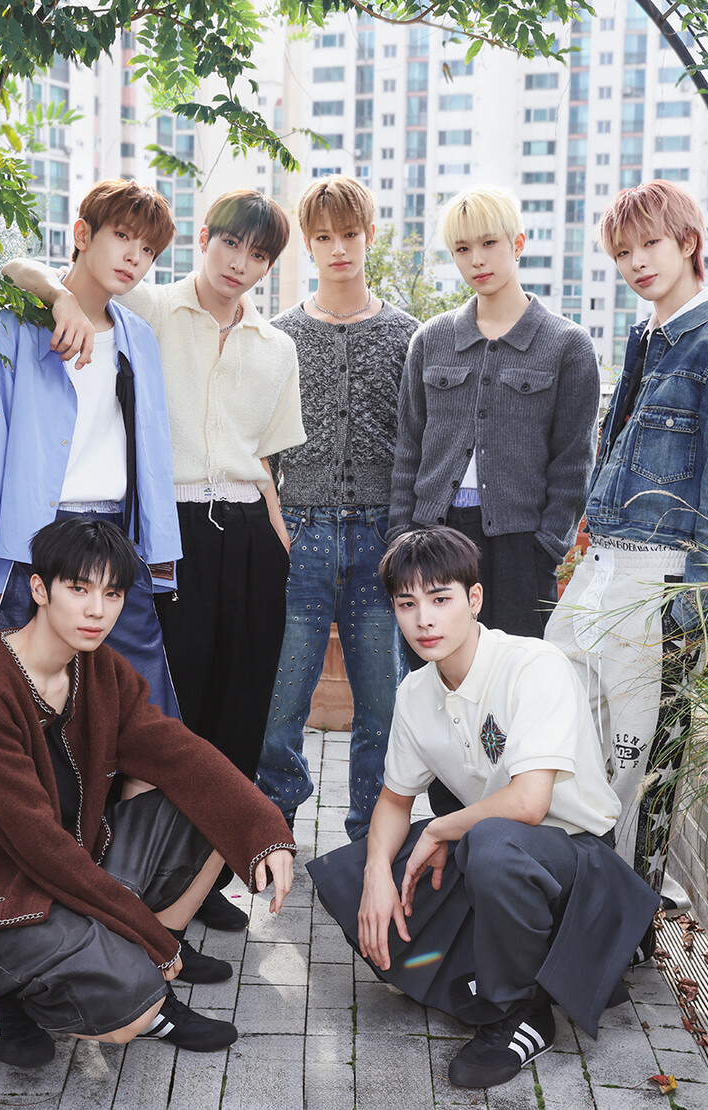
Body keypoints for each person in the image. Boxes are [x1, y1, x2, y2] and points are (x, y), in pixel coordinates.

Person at [3, 189, 305, 932]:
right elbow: (30, 271)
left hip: (250, 528)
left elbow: (267, 455)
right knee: (171, 714)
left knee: (241, 709)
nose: (240, 264)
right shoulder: (149, 309)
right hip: (169, 530)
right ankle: (148, 884)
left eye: (258, 255)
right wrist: (57, 296)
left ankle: (205, 881)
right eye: (229, 244)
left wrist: (275, 529)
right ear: (203, 239)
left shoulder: (276, 345)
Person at [0, 517, 295, 1067]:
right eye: (78, 588)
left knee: (210, 802)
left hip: (70, 866)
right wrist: (144, 935)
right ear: (40, 589)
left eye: (112, 594)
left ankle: (149, 965)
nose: (97, 610)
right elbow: (39, 846)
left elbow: (179, 754)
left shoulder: (98, 670)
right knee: (130, 1015)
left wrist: (265, 829)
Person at [307, 527, 658, 1091]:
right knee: (355, 881)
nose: (424, 620)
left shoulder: (533, 664)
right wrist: (376, 876)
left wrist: (439, 830)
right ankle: (522, 964)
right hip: (499, 851)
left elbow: (528, 802)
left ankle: (520, 1011)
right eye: (407, 604)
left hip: (576, 860)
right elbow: (393, 801)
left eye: (440, 599)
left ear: (474, 599)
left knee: (487, 844)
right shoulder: (416, 693)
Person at [545, 180, 708, 901]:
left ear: (688, 242)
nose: (636, 262)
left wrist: (690, 615)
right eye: (623, 252)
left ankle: (625, 912)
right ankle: (568, 886)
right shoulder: (646, 340)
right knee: (556, 722)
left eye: (650, 244)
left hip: (660, 580)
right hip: (602, 570)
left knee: (637, 763)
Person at [0, 178, 182, 721]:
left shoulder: (139, 339)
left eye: (149, 249)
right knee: (23, 708)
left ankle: (133, 783)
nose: (135, 256)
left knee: (145, 707)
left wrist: (156, 552)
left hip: (116, 537)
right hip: (35, 539)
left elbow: (153, 455)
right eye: (122, 236)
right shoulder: (7, 331)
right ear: (82, 234)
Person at [255, 176, 417, 841]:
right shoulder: (279, 336)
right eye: (324, 237)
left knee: (383, 702)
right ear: (308, 243)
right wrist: (276, 517)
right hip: (300, 532)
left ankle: (367, 840)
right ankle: (272, 830)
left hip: (380, 535)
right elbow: (256, 440)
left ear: (370, 235)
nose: (339, 249)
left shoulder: (407, 335)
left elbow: (418, 441)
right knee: (281, 697)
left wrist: (402, 534)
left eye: (350, 234)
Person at [388, 184, 600, 639]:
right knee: (436, 668)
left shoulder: (567, 345)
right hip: (433, 536)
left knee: (516, 671)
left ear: (517, 244)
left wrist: (547, 547)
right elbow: (409, 448)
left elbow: (574, 462)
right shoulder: (430, 339)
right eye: (463, 249)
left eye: (488, 243)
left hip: (521, 547)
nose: (477, 260)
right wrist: (401, 539)